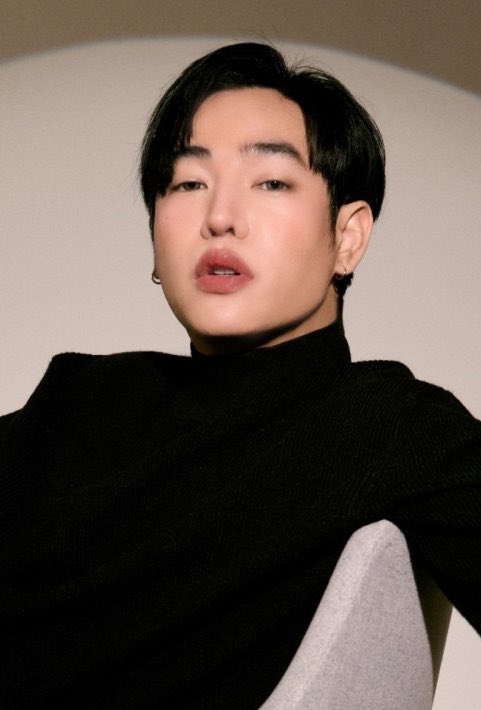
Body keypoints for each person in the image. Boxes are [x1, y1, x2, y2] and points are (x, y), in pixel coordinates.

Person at [1, 41, 480, 710]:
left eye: (271, 182)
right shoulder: (75, 402)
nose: (219, 217)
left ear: (347, 237)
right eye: (188, 183)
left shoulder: (389, 428)